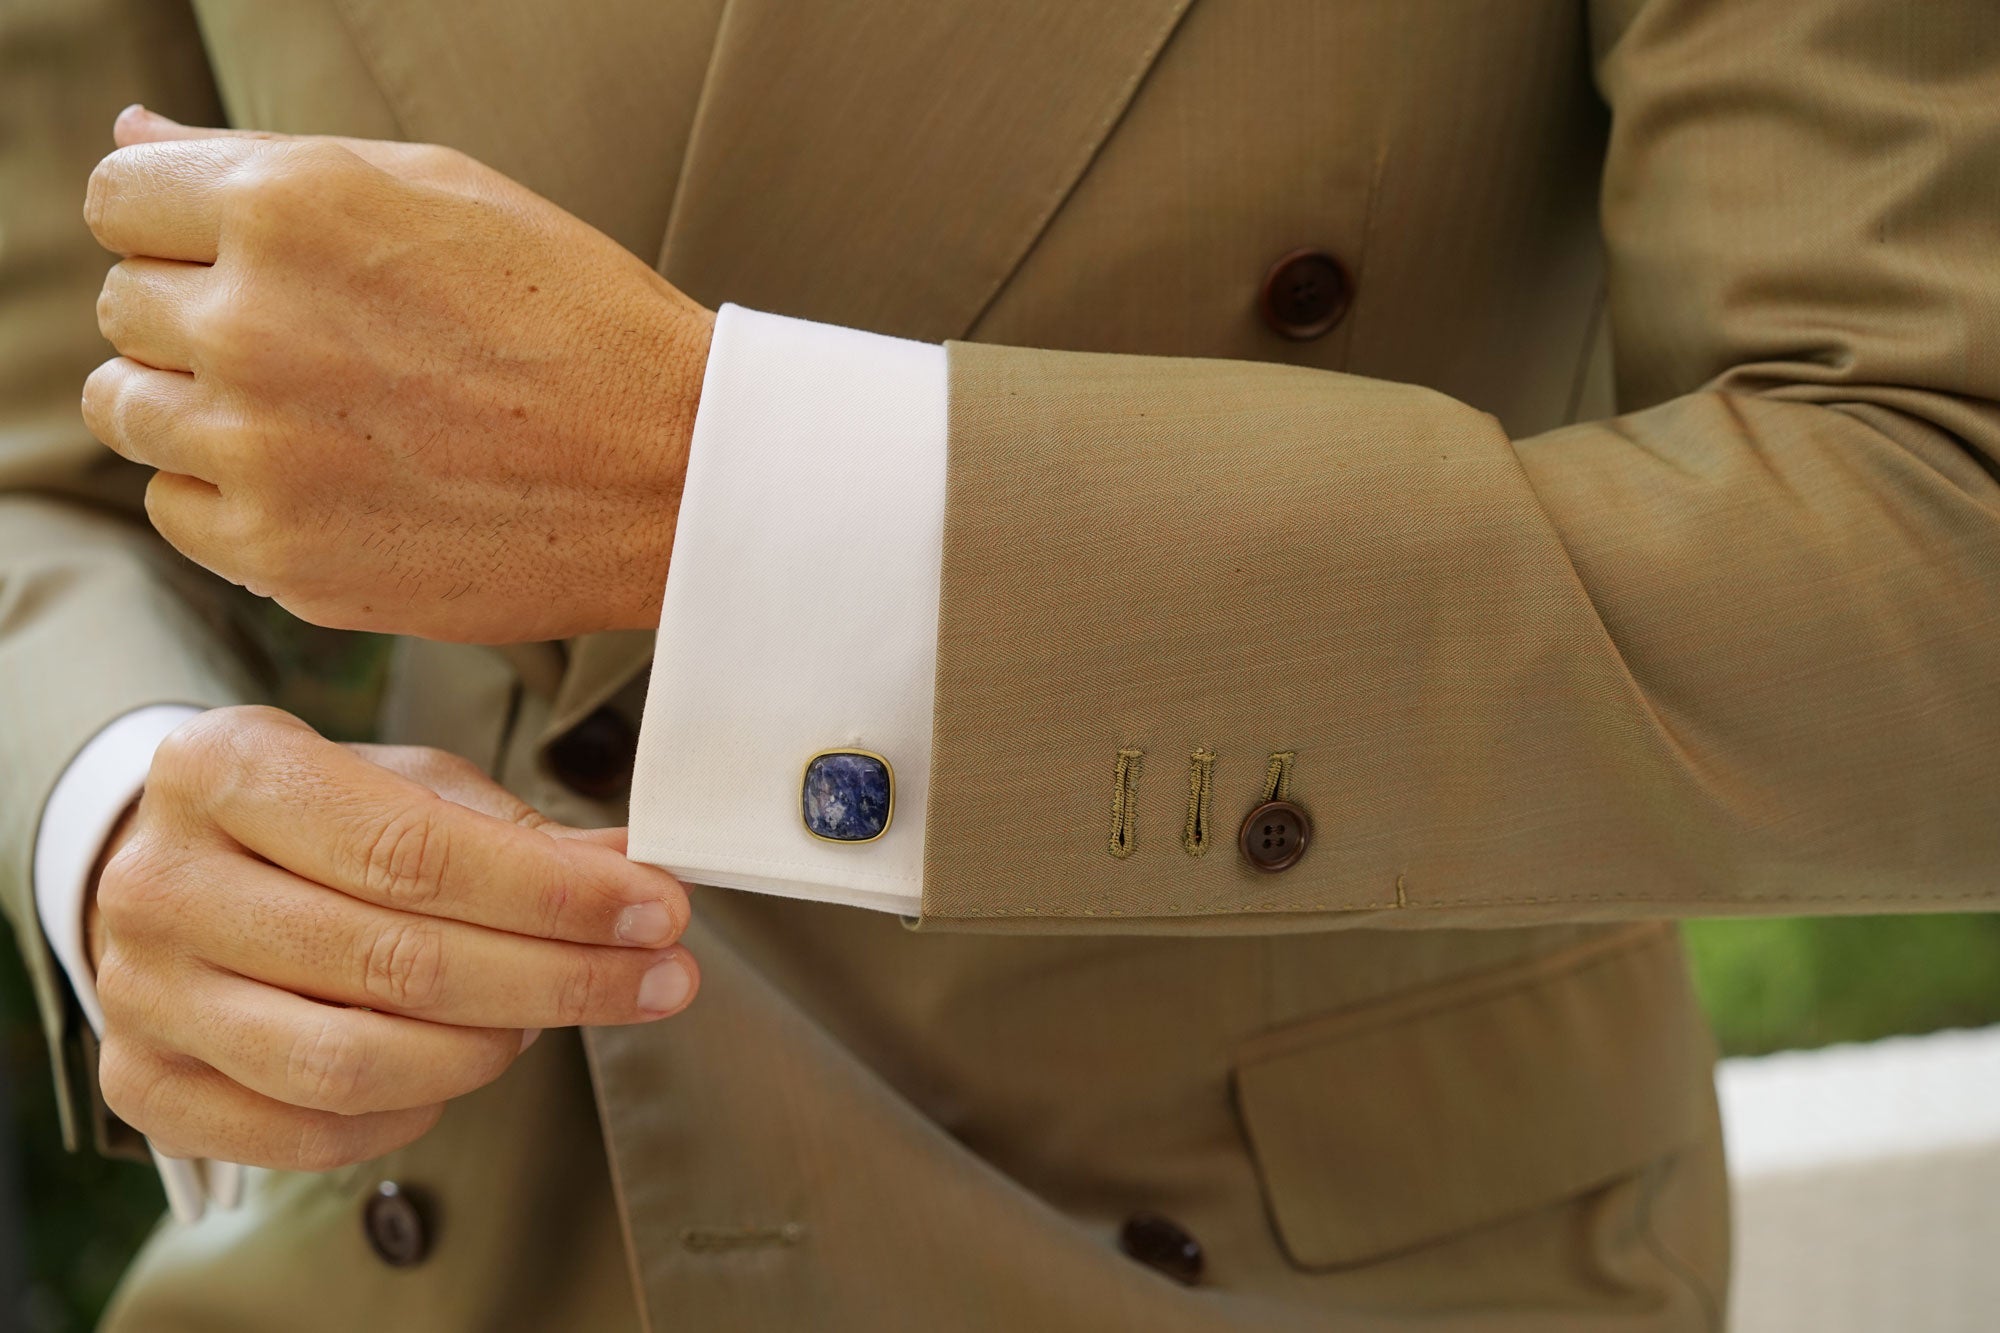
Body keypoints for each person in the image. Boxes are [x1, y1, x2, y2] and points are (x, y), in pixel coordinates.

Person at [5, 0, 1996, 1328]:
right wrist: (123, 810)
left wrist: (758, 499)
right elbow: (37, 454)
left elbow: (1940, 546)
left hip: (1280, 1260)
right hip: (411, 1238)